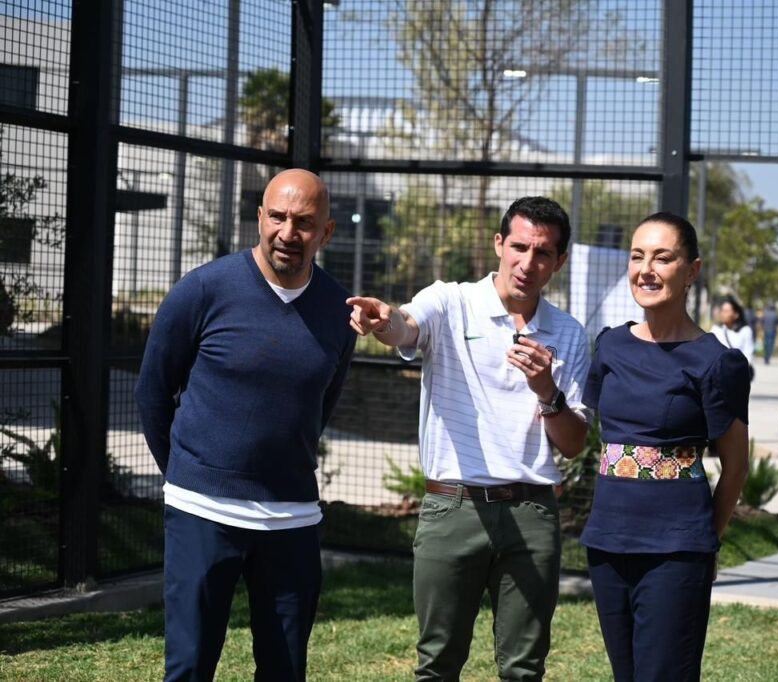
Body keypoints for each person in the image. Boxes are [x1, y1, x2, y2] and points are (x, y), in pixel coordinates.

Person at [346, 196, 591, 681]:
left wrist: (547, 390)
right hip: (453, 507)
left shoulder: (568, 333)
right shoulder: (451, 301)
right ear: (499, 244)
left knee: (524, 670)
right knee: (437, 664)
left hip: (532, 512)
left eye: (543, 253)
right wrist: (383, 320)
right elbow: (405, 327)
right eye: (519, 247)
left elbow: (572, 442)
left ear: (559, 261)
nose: (528, 263)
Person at [135, 169, 357, 681]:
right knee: (189, 669)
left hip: (292, 518)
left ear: (326, 232)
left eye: (304, 222)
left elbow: (321, 404)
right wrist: (188, 474)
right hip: (202, 510)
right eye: (277, 216)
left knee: (285, 671)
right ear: (259, 217)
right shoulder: (203, 289)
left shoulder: (338, 310)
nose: (287, 232)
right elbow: (152, 391)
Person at [582, 212, 749, 681]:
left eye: (662, 257)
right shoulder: (610, 347)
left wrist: (706, 540)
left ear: (692, 270)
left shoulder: (716, 362)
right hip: (607, 542)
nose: (646, 269)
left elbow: (736, 467)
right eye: (637, 256)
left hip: (676, 549)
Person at [711, 294, 755, 378]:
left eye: (727, 311)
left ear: (736, 314)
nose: (723, 314)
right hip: (719, 374)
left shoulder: (745, 331)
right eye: (722, 310)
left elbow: (748, 353)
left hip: (738, 374)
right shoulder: (716, 330)